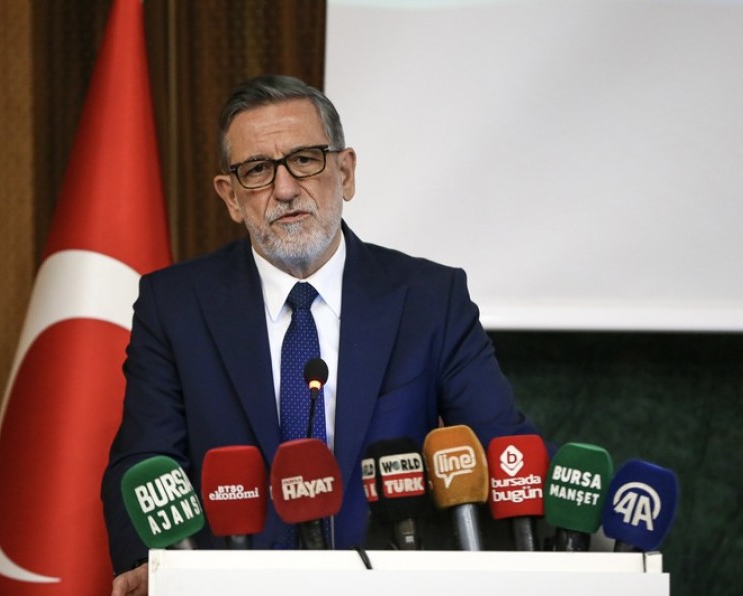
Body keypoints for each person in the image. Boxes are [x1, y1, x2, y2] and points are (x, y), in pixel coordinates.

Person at [103, 74, 542, 595]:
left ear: (346, 172)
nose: (285, 189)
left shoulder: (430, 299)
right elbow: (146, 461)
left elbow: (504, 451)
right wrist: (149, 563)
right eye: (257, 170)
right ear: (231, 197)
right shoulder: (175, 306)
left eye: (305, 159)